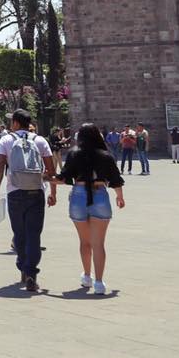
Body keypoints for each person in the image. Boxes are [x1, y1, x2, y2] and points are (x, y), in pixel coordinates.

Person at [0, 108, 57, 292]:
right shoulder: (41, 140)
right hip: (36, 192)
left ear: (15, 123)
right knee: (34, 234)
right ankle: (31, 273)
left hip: (15, 192)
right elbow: (51, 171)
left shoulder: (5, 140)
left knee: (19, 233)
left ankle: (23, 265)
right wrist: (51, 191)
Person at [58, 122, 125, 295]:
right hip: (100, 194)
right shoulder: (105, 155)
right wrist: (119, 196)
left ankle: (87, 276)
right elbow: (116, 179)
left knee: (84, 242)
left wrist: (46, 179)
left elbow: (64, 177)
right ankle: (99, 283)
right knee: (98, 244)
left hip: (79, 195)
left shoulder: (74, 153)